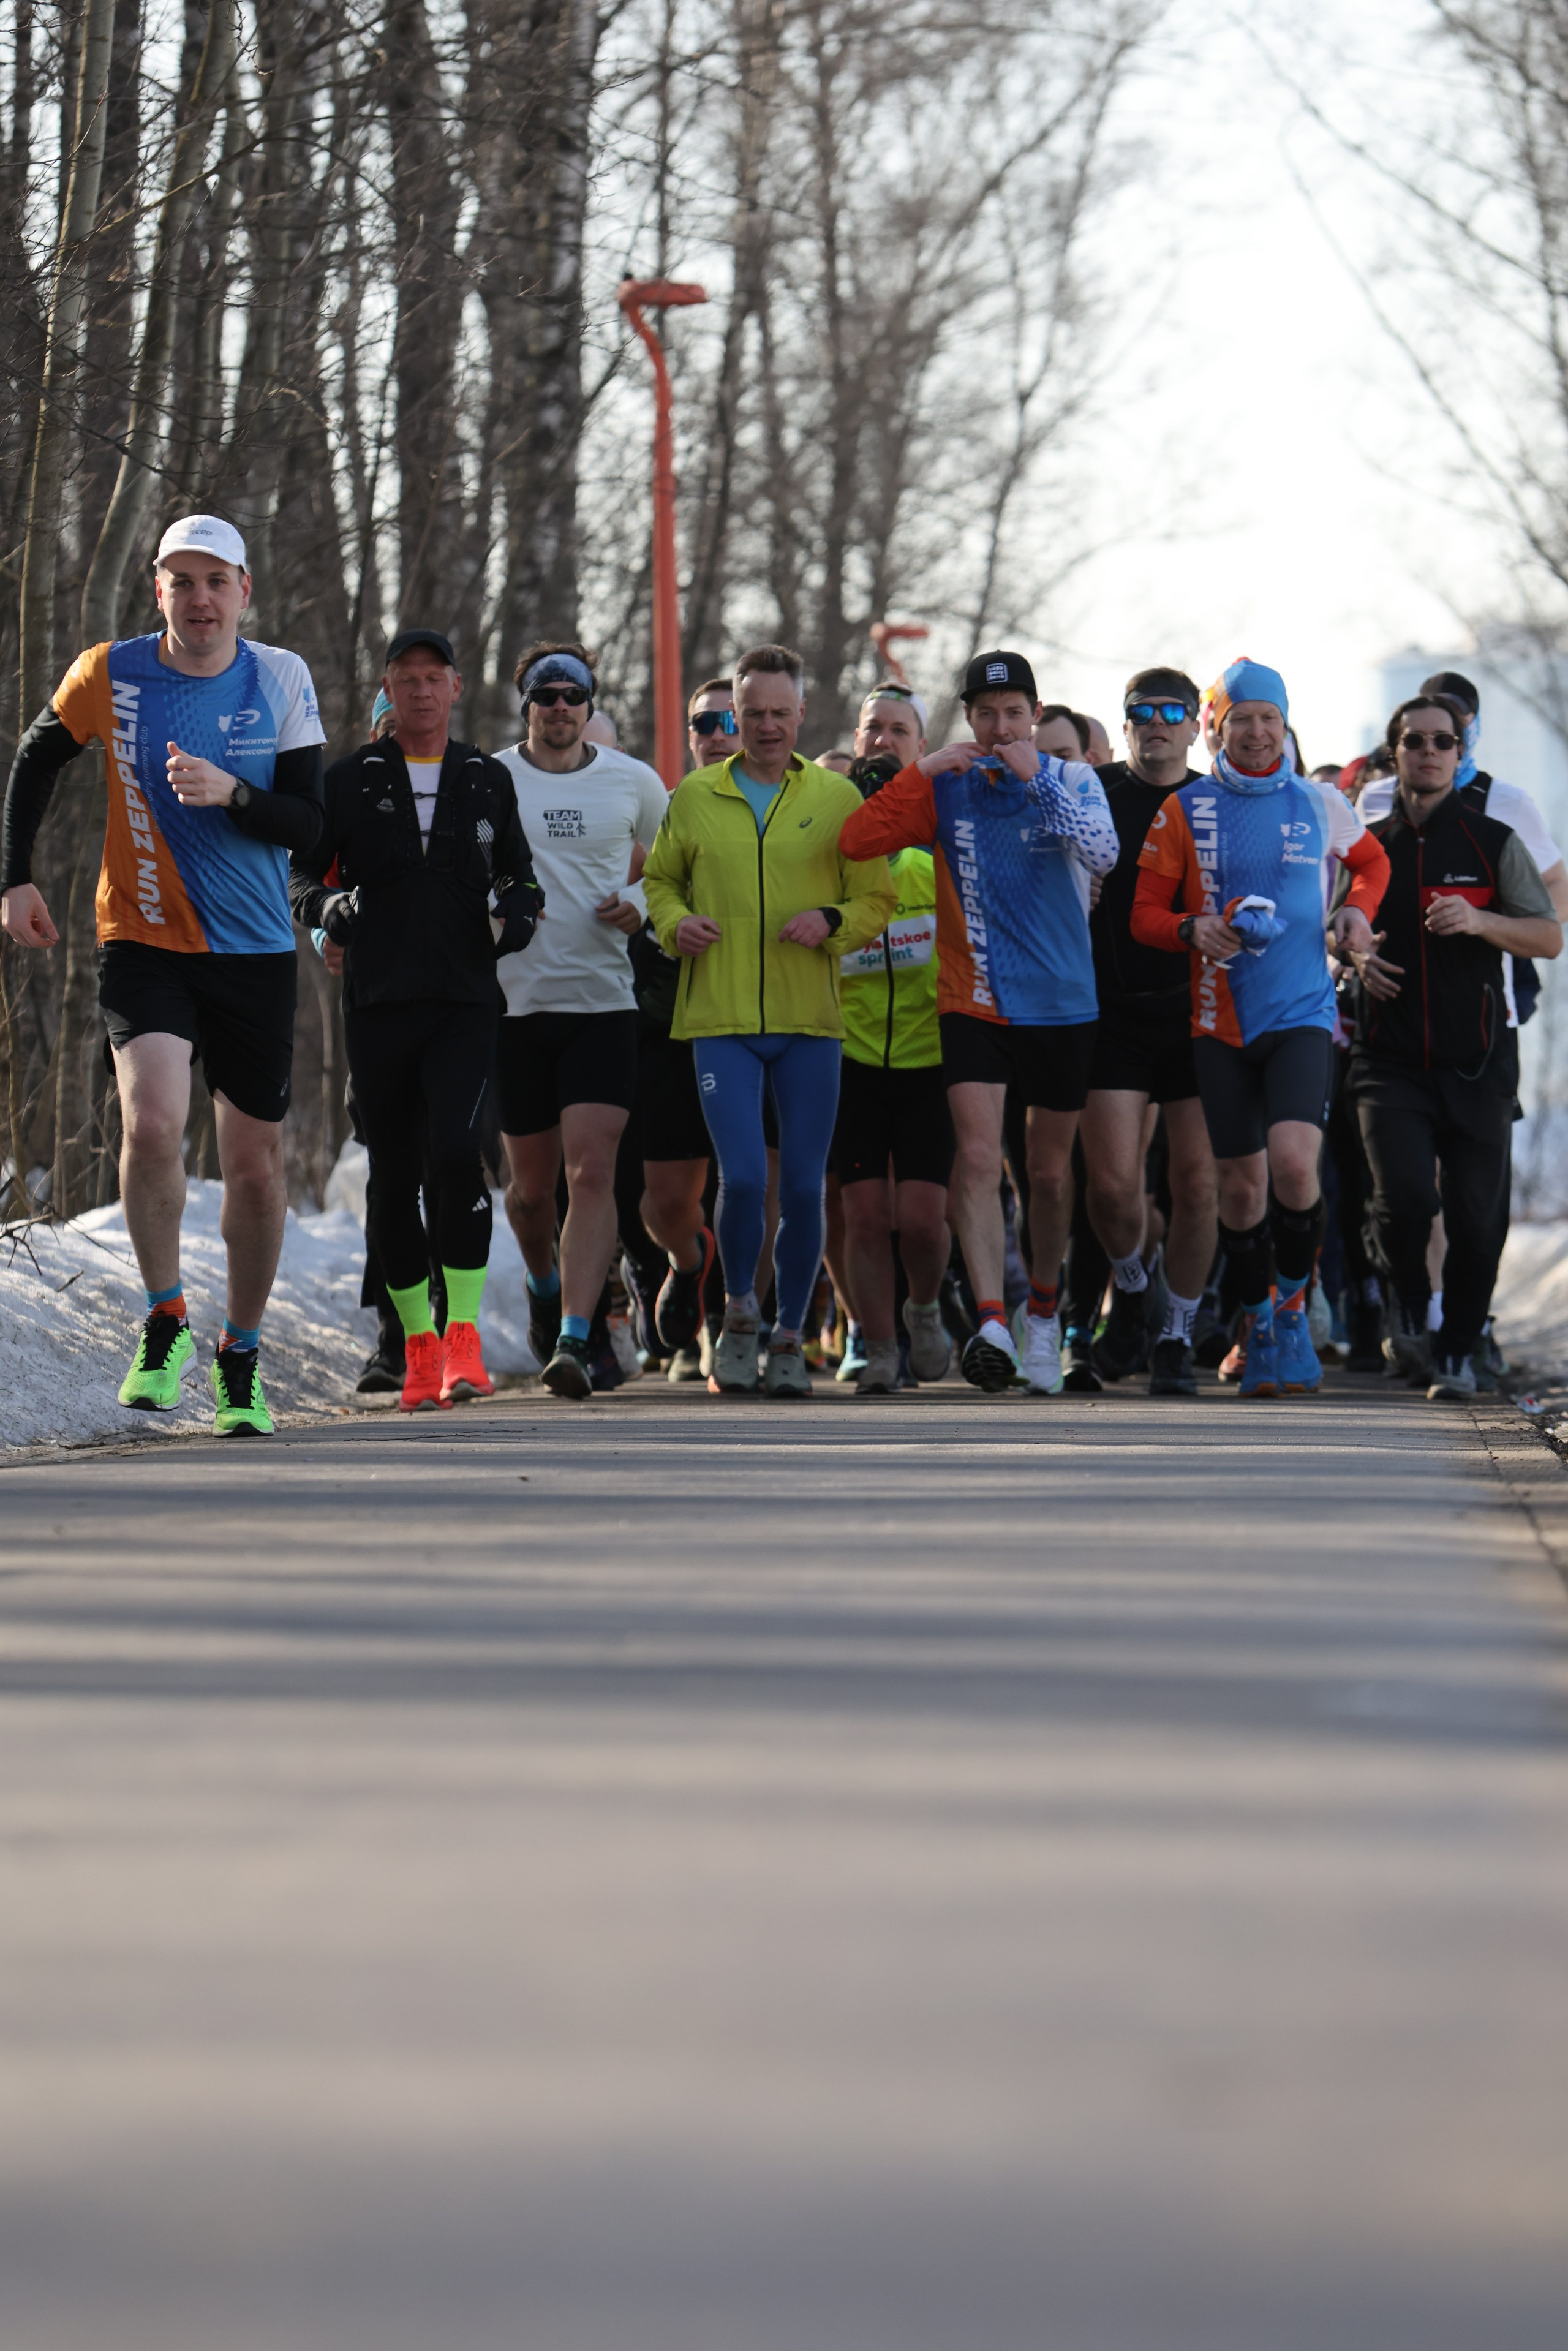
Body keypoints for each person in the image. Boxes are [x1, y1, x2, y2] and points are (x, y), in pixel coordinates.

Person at [1, 514, 325, 1435]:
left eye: (216, 580)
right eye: (182, 581)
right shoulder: (113, 671)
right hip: (142, 940)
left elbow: (313, 823)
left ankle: (244, 1355)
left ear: (244, 591)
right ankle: (166, 1317)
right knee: (150, 1122)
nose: (200, 598)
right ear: (158, 590)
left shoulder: (281, 677)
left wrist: (236, 794)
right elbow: (36, 758)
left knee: (253, 1167)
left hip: (256, 950)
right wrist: (14, 877)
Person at [840, 648, 1118, 1397]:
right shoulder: (948, 784)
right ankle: (992, 1318)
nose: (1001, 729)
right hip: (974, 999)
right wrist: (922, 773)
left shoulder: (1070, 776)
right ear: (968, 719)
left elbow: (1102, 850)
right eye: (987, 715)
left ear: (1035, 714)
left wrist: (1037, 780)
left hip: (1061, 1002)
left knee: (1050, 1175)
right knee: (975, 1158)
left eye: (1015, 714)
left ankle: (1042, 1315)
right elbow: (858, 839)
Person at [291, 628, 540, 1412]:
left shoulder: (485, 778)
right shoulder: (348, 779)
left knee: (455, 1151)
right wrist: (329, 910)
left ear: (456, 688)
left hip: (466, 1002)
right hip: (380, 1001)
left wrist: (521, 912)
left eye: (435, 679)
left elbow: (519, 875)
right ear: (388, 690)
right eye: (407, 679)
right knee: (393, 1176)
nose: (422, 692)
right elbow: (303, 874)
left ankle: (462, 1334)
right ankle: (416, 1345)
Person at [642, 643, 895, 1395]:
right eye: (751, 713)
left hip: (808, 1022)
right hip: (720, 1017)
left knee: (806, 1191)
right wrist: (675, 924)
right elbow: (659, 882)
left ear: (801, 715)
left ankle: (790, 1333)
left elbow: (875, 900)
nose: (765, 726)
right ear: (736, 714)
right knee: (745, 1179)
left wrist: (829, 919)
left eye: (780, 713)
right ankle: (739, 1315)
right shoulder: (695, 796)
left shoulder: (834, 799)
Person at [1131, 659, 1389, 1398]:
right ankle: (1256, 1325)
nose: (1255, 731)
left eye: (1268, 719)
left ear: (1284, 725)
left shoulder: (1319, 802)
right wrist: (1191, 928)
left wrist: (1356, 913)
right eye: (1240, 717)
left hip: (1303, 1013)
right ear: (1215, 724)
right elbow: (1143, 914)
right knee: (1239, 1193)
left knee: (1295, 1166)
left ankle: (1290, 1308)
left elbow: (1372, 866)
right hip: (1219, 1024)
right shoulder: (1186, 809)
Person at [1344, 695, 1561, 1397]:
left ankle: (1458, 1349)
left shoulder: (1492, 840)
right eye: (1415, 741)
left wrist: (1479, 920)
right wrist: (1348, 955)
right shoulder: (1367, 844)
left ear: (1461, 753)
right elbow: (1331, 925)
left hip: (1477, 1059)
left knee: (1475, 1218)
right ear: (1396, 753)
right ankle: (1407, 1295)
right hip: (1389, 1057)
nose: (1429, 751)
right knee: (1404, 1198)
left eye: (1444, 740)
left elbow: (1548, 937)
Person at [492, 643, 671, 1400]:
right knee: (531, 1193)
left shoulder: (635, 782)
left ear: (591, 704)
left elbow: (681, 873)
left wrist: (647, 909)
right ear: (526, 704)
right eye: (545, 695)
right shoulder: (489, 778)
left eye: (573, 695)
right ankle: (542, 1286)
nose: (560, 707)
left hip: (602, 1002)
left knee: (591, 1172)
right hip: (514, 1009)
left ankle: (575, 1334)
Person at [1080, 668, 1218, 1397]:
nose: (1157, 723)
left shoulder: (1213, 803)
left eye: (1173, 713)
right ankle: (1132, 1286)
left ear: (1196, 726)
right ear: (1126, 723)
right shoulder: (1092, 793)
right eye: (1143, 713)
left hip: (1197, 1015)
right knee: (1110, 1187)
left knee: (1198, 1185)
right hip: (1113, 1014)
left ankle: (1175, 1333)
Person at [833, 690, 953, 1394]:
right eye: (872, 729)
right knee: (863, 1213)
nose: (883, 741)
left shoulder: (942, 824)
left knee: (921, 1218)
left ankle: (926, 1306)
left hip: (928, 1053)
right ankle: (879, 1347)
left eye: (898, 731)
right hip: (847, 1055)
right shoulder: (834, 837)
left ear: (920, 742)